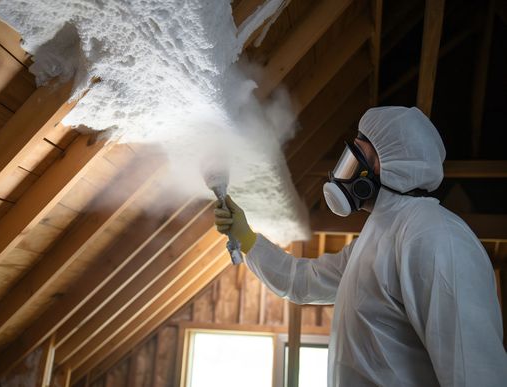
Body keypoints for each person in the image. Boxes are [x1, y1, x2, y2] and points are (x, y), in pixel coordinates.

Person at [214, 106, 507, 386]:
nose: (344, 170)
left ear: (385, 163)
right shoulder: (377, 236)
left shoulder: (434, 234)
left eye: (356, 157)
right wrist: (247, 237)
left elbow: (474, 371)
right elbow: (301, 281)